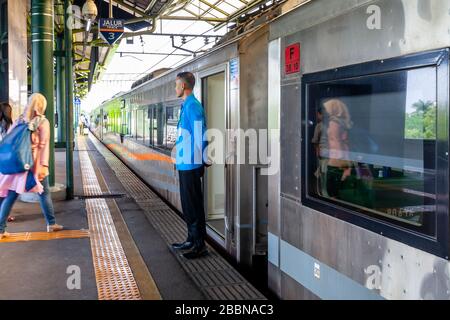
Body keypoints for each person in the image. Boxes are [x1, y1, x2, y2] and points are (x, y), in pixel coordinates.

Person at [0, 93, 63, 239]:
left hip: (19, 162)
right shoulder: (42, 122)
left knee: (11, 195)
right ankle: (51, 223)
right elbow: (43, 146)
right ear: (42, 105)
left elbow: (9, 139)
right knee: (44, 193)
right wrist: (43, 166)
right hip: (33, 164)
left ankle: (1, 229)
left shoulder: (20, 120)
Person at [171, 72, 208, 259]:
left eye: (177, 85)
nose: (175, 88)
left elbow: (201, 135)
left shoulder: (193, 106)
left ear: (184, 86)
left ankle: (199, 245)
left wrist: (201, 160)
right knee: (187, 205)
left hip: (192, 164)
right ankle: (191, 239)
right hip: (185, 163)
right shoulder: (186, 105)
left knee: (193, 206)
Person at [321, 98, 353, 199]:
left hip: (335, 163)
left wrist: (347, 167)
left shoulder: (334, 123)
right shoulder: (339, 123)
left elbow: (342, 145)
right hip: (335, 162)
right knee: (334, 192)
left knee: (333, 193)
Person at [0, 102, 16, 223]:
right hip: (6, 161)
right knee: (6, 189)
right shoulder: (10, 125)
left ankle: (4, 215)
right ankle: (4, 215)